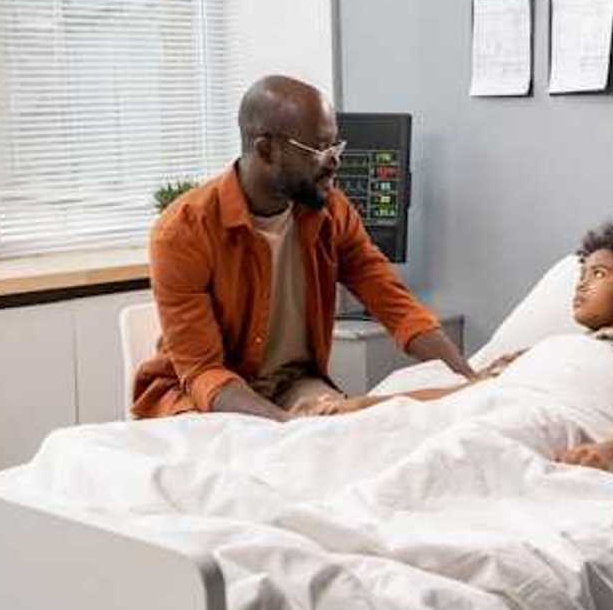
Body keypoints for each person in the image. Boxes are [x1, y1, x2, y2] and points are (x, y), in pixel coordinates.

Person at [131, 75, 474, 420]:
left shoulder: (333, 212)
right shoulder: (183, 231)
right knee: (250, 456)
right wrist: (287, 427)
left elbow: (396, 305)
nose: (334, 161)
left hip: (291, 385)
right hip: (198, 396)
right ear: (266, 149)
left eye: (335, 147)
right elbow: (203, 372)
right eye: (319, 149)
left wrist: (469, 379)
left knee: (345, 433)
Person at [322, 221, 613, 473]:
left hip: (551, 415)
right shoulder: (551, 348)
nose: (580, 285)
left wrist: (612, 452)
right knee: (379, 444)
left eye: (598, 274)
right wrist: (363, 405)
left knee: (456, 456)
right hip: (496, 402)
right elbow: (467, 395)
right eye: (581, 274)